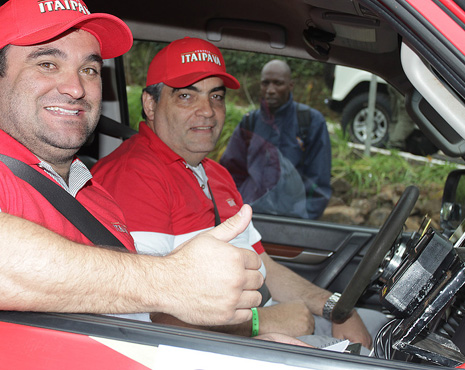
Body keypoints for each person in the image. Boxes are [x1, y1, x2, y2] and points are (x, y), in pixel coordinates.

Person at [0, 0, 266, 327]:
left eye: (90, 69)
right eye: (47, 64)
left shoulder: (90, 189)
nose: (75, 88)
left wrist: (253, 331)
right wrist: (171, 280)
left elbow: (129, 312)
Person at [92, 37, 381, 348]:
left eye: (216, 97)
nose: (207, 112)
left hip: (253, 332)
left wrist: (335, 308)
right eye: (187, 97)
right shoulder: (132, 178)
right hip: (211, 349)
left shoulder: (215, 173)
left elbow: (264, 266)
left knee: (381, 330)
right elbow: (143, 315)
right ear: (150, 104)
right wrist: (260, 323)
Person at [220, 59, 332, 219]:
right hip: (249, 220)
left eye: (278, 83)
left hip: (293, 222)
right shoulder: (249, 122)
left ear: (290, 85)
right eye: (265, 83)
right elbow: (229, 172)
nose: (270, 90)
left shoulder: (311, 121)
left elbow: (319, 180)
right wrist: (237, 212)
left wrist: (304, 220)